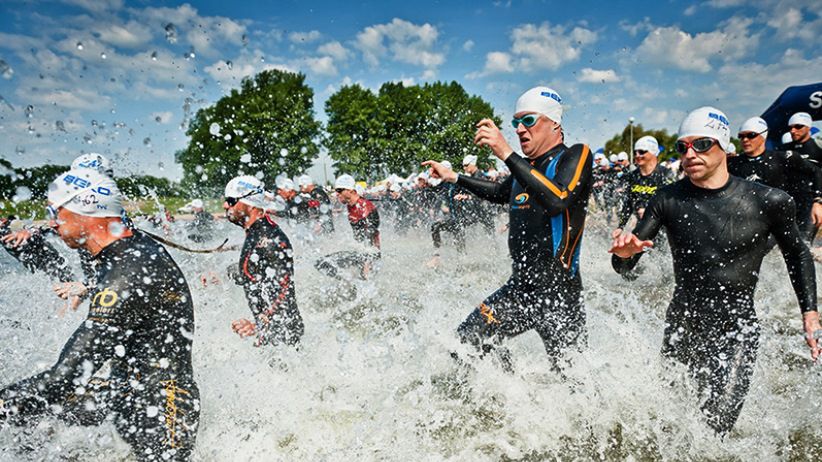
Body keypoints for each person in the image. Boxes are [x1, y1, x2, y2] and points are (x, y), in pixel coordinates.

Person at [610, 107, 820, 435]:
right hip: (682, 327)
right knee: (673, 426)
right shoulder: (667, 199)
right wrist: (624, 255)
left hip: (737, 329)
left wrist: (809, 311)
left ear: (724, 145)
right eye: (683, 147)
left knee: (715, 427)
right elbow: (626, 264)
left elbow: (797, 253)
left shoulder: (768, 200)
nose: (690, 154)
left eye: (702, 144)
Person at [0, 169, 200, 461]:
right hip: (128, 389)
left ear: (84, 207)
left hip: (163, 411)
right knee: (34, 420)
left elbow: (65, 376)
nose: (51, 221)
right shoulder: (129, 250)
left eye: (54, 210)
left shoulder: (128, 274)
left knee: (30, 399)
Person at [424, 86, 592, 371]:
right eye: (516, 122)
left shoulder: (575, 155)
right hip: (520, 291)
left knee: (574, 382)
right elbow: (498, 192)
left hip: (560, 295)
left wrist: (505, 152)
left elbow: (558, 199)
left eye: (529, 120)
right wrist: (455, 177)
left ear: (554, 123)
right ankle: (513, 396)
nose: (519, 129)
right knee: (465, 343)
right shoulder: (523, 170)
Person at [223, 176, 303, 347]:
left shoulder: (269, 239)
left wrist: (258, 324)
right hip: (270, 332)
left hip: (284, 334)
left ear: (250, 204)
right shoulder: (255, 234)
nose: (225, 206)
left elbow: (284, 290)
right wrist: (222, 275)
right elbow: (254, 275)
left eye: (231, 201)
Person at [728, 116, 822, 242]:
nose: (745, 140)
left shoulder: (784, 158)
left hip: (784, 218)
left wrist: (818, 202)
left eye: (751, 135)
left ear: (763, 136)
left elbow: (816, 171)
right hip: (753, 220)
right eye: (741, 136)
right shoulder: (733, 163)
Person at [315, 174, 381, 281]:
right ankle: (349, 281)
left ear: (351, 191)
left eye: (339, 191)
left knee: (323, 263)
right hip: (360, 253)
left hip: (368, 255)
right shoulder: (351, 206)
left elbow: (371, 236)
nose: (337, 194)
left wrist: (368, 264)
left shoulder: (365, 207)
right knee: (321, 263)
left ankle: (351, 281)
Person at [613, 136, 673, 236]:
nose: (637, 155)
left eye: (641, 152)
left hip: (663, 229)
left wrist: (650, 212)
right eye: (635, 152)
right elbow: (628, 203)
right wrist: (620, 227)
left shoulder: (665, 174)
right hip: (642, 227)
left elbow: (674, 205)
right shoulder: (633, 176)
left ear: (653, 152)